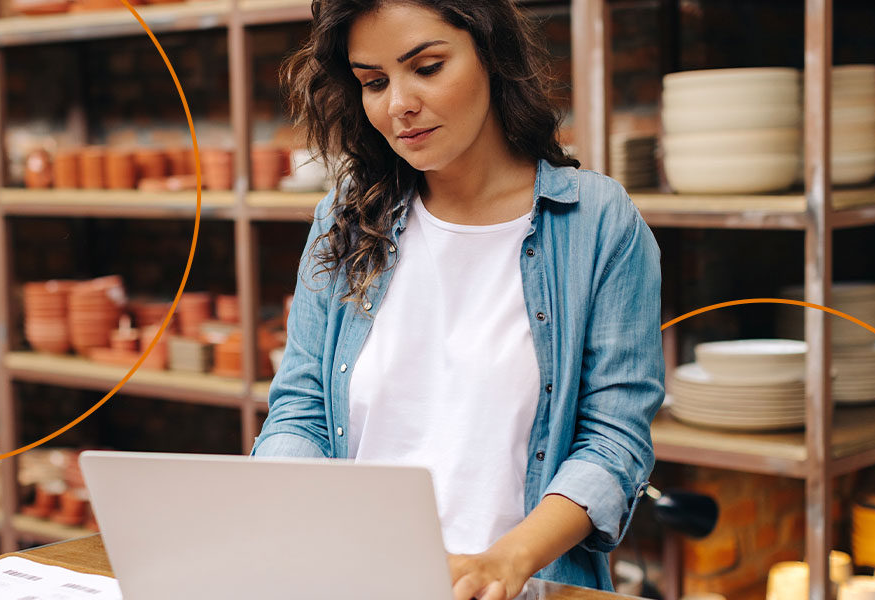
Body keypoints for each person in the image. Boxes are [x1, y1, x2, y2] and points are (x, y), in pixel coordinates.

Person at [250, 0, 665, 598]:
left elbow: (613, 440)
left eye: (427, 67)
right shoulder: (346, 220)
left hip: (519, 586)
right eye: (374, 81)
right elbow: (302, 409)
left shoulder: (597, 224)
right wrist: (278, 516)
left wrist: (503, 563)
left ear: (491, 55)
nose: (398, 105)